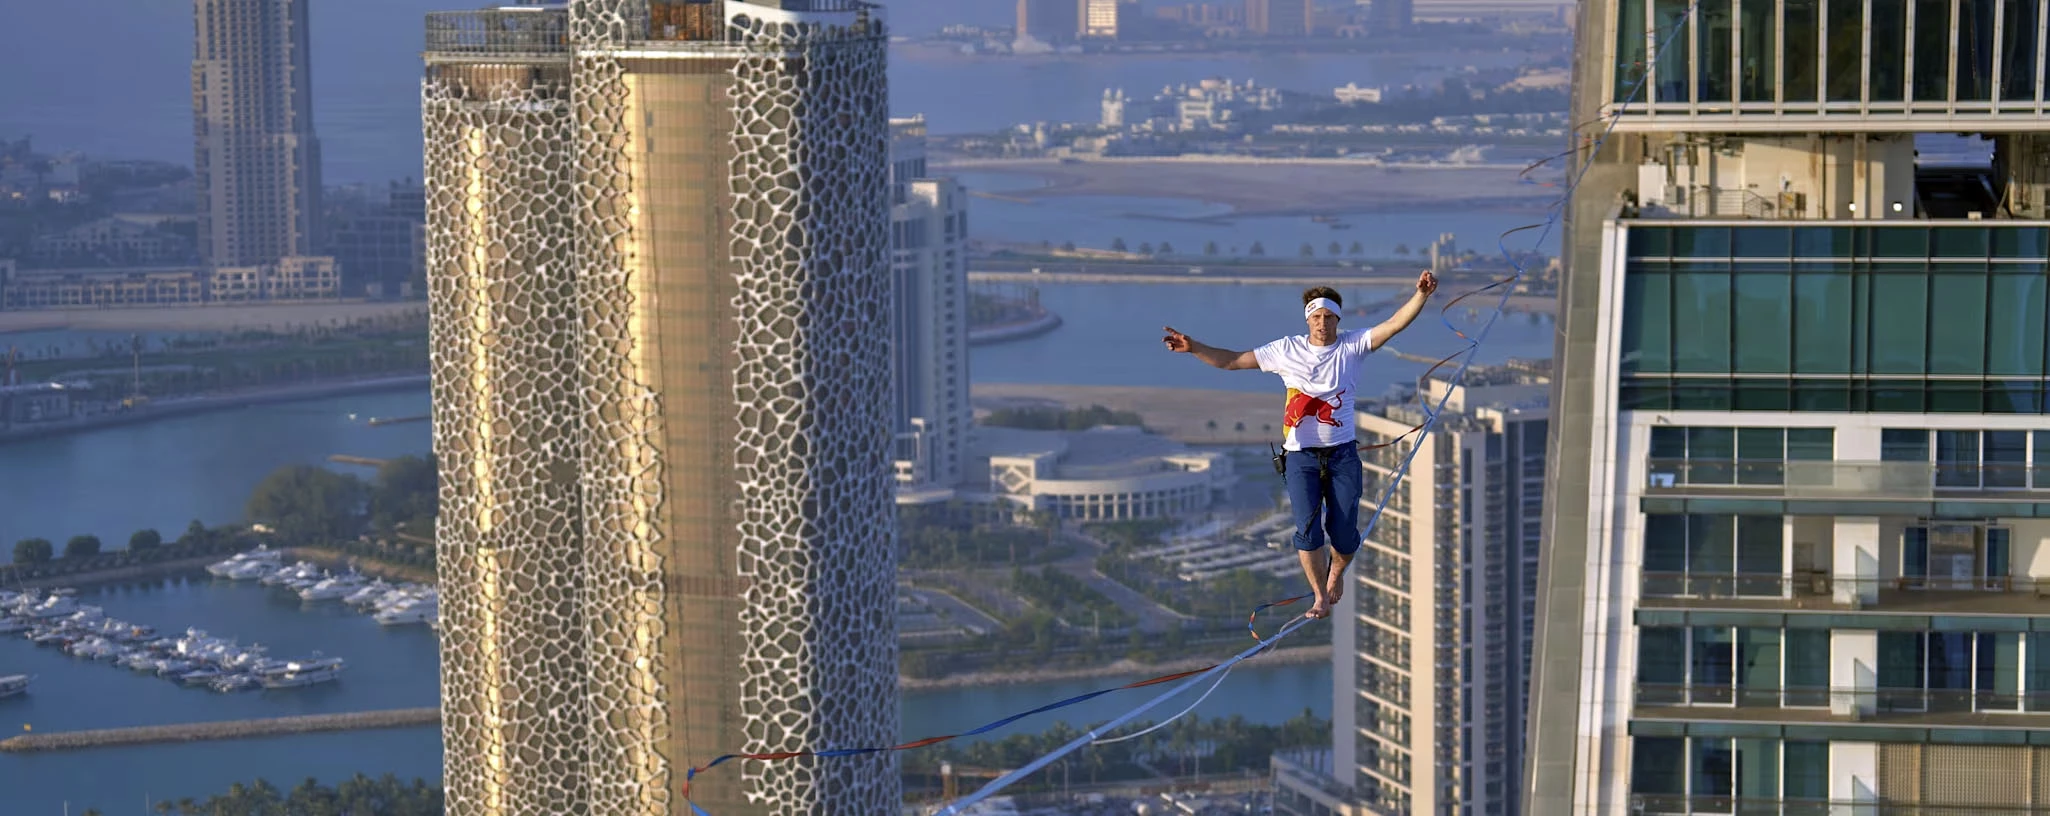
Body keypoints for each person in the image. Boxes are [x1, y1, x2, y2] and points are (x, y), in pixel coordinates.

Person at [1161, 271, 1438, 619]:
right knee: (1307, 529)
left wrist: (1421, 296)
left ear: (1338, 318)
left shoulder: (1353, 346)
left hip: (1342, 455)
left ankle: (1336, 571)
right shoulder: (1286, 350)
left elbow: (1395, 324)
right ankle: (1319, 596)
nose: (1322, 323)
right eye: (1316, 317)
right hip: (1300, 456)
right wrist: (1194, 347)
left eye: (1328, 316)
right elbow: (1232, 360)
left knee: (1344, 533)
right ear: (1308, 319)